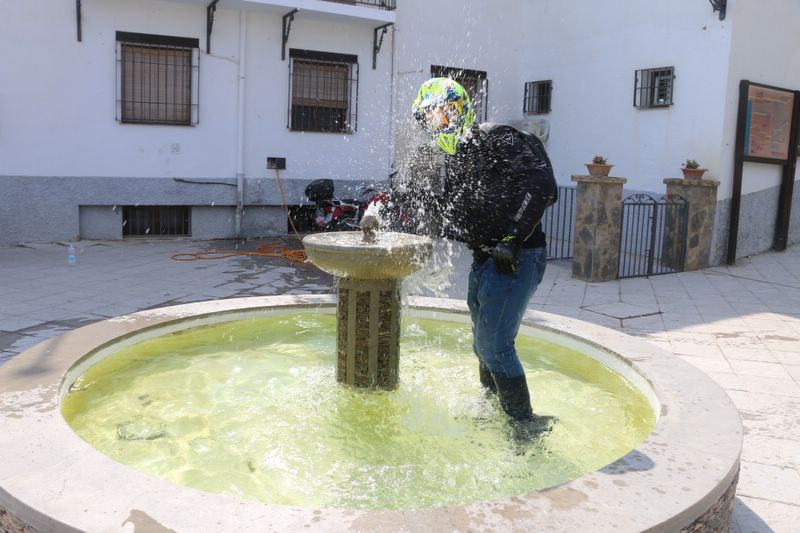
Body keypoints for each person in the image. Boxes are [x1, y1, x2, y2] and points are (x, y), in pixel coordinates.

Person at [402, 77, 558, 439]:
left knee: (494, 344)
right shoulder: (457, 158)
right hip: (486, 261)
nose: (432, 125)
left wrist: (513, 236)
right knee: (483, 344)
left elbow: (543, 185)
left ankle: (526, 424)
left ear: (457, 110)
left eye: (437, 116)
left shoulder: (496, 137)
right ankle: (492, 409)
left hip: (517, 258)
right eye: (426, 119)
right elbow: (455, 214)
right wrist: (398, 210)